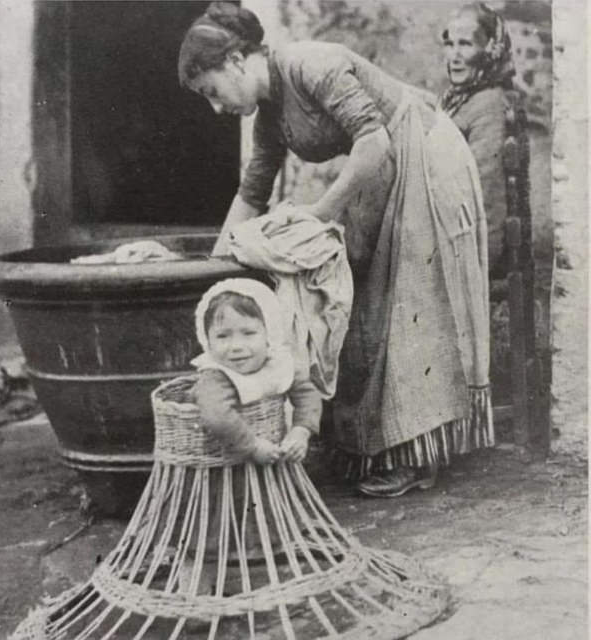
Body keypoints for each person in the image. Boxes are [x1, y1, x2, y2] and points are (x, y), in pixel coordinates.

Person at [178, 2, 494, 498]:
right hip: (387, 166)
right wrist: (213, 273)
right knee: (362, 296)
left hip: (427, 154)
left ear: (238, 61)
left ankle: (418, 456)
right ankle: (380, 443)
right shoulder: (270, 115)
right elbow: (252, 191)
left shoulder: (311, 63)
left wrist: (318, 216)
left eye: (212, 92)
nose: (216, 108)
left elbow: (375, 142)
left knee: (409, 300)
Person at [182, 277, 322, 594]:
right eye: (222, 336)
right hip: (219, 470)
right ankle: (196, 594)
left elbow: (308, 394)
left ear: (268, 332)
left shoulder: (278, 363)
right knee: (208, 532)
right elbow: (217, 417)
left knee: (268, 524)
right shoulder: (216, 376)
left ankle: (272, 581)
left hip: (267, 468)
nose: (236, 346)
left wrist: (301, 430)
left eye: (249, 333)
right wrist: (252, 445)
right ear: (207, 340)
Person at [440, 2, 518, 274]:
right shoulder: (460, 100)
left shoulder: (488, 105)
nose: (455, 55)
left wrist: (474, 265)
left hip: (470, 246)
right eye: (449, 44)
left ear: (490, 51)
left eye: (466, 44)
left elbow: (484, 193)